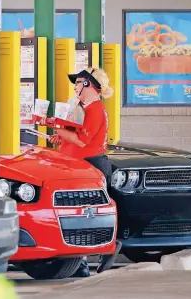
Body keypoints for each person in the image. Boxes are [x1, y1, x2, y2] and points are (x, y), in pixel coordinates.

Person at [47, 67, 122, 278]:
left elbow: (83, 140)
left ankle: (108, 246)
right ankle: (81, 263)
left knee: (87, 215)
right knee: (79, 215)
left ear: (89, 85)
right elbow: (76, 135)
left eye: (79, 82)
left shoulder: (95, 109)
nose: (75, 86)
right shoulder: (83, 108)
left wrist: (57, 128)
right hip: (81, 168)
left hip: (91, 168)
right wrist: (60, 137)